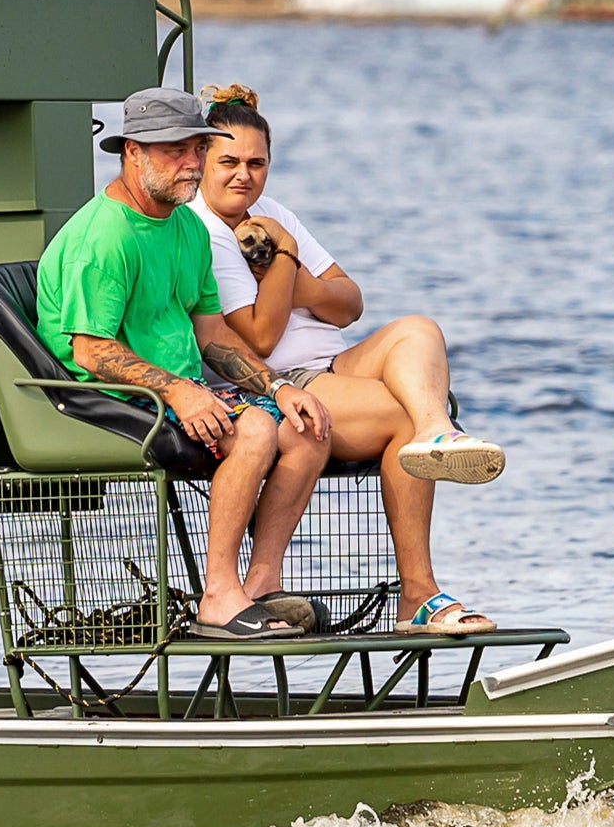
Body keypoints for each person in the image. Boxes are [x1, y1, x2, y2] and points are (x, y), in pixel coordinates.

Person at [189, 82, 505, 635]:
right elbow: (260, 337)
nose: (245, 175)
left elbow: (349, 304)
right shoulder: (199, 230)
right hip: (281, 380)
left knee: (417, 330)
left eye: (257, 163)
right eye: (230, 161)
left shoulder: (272, 212)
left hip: (334, 362)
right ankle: (419, 594)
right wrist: (286, 253)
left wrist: (289, 272)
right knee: (399, 419)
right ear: (201, 159)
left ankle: (437, 430)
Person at [35, 87, 333, 639]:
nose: (192, 163)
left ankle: (262, 584)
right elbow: (90, 350)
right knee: (256, 430)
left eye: (198, 148)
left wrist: (280, 385)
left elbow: (213, 333)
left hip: (178, 386)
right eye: (175, 150)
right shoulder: (103, 238)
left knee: (305, 425)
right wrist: (180, 392)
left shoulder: (187, 227)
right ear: (132, 153)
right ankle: (219, 597)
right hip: (105, 397)